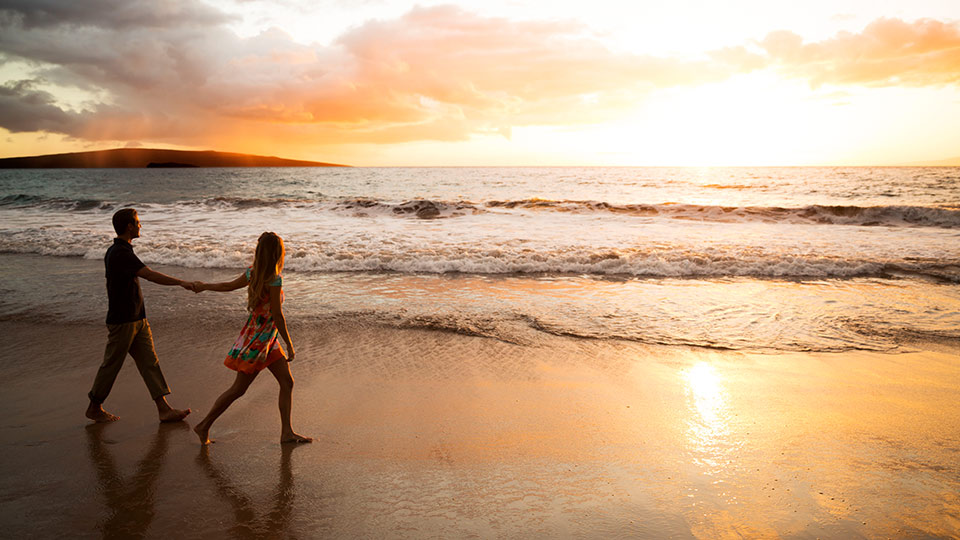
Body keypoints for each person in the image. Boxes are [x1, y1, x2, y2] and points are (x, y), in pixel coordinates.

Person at [191, 232, 311, 445]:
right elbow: (277, 314)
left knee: (287, 382)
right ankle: (203, 425)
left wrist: (205, 285)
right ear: (277, 253)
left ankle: (286, 433)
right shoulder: (274, 280)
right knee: (238, 389)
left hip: (262, 338)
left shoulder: (252, 273)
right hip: (260, 342)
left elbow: (228, 286)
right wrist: (290, 344)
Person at [86, 208, 192, 423]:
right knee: (112, 365)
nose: (140, 225)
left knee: (149, 363)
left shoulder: (122, 250)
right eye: (137, 222)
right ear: (129, 226)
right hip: (123, 320)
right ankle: (94, 407)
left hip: (137, 318)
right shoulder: (120, 253)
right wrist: (182, 282)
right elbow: (149, 275)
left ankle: (164, 409)